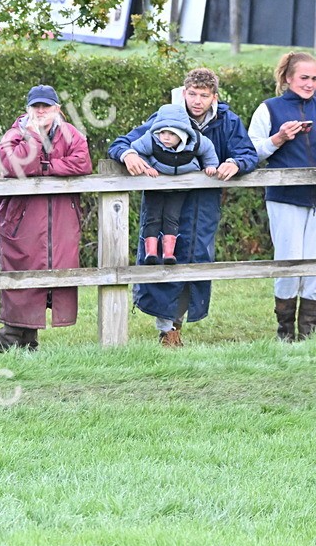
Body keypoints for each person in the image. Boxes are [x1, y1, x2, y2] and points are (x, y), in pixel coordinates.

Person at [108, 67, 257, 347]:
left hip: (204, 204)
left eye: (204, 95)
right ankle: (166, 329)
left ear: (214, 97)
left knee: (195, 258)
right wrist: (128, 155)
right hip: (164, 204)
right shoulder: (167, 116)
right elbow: (122, 143)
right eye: (192, 94)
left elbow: (247, 153)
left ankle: (176, 325)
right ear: (184, 92)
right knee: (161, 257)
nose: (197, 101)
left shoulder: (227, 121)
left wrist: (235, 163)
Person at [0, 85, 93, 352]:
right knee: (22, 277)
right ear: (27, 109)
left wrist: (46, 167)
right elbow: (15, 165)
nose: (40, 111)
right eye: (35, 106)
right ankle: (8, 341)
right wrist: (34, 137)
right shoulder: (15, 134)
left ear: (57, 109)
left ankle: (26, 343)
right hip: (22, 221)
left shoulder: (71, 134)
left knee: (52, 278)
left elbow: (83, 162)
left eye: (46, 106)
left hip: (60, 220)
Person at [248, 51, 316, 342]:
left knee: (314, 264)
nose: (310, 84)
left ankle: (309, 333)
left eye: (315, 78)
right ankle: (285, 332)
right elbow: (250, 152)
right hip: (285, 196)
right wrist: (279, 138)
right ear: (288, 78)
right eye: (304, 77)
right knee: (289, 261)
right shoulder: (269, 108)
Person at [123, 103, 219, 265]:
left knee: (171, 218)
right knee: (152, 218)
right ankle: (151, 253)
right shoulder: (151, 139)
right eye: (163, 132)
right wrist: (146, 167)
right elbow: (137, 151)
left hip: (179, 188)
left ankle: (168, 253)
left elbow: (208, 150)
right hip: (155, 186)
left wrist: (210, 166)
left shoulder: (195, 141)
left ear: (182, 134)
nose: (166, 137)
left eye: (172, 134)